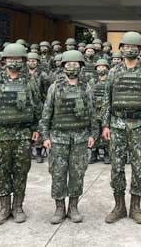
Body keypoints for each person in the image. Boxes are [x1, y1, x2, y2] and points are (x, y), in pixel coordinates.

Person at [101, 31, 141, 225]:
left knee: (138, 167)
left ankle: (135, 207)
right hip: (117, 125)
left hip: (139, 126)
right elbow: (106, 99)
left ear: (140, 49)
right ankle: (119, 207)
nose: (130, 49)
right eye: (126, 46)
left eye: (134, 47)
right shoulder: (114, 71)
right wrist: (106, 124)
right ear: (122, 49)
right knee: (116, 167)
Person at [0, 43, 41, 225]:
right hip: (0, 134)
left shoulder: (30, 82)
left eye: (18, 59)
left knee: (21, 171)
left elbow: (38, 107)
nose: (14, 62)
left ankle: (18, 207)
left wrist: (37, 129)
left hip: (22, 135)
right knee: (1, 171)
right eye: (11, 59)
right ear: (4, 61)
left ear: (23, 61)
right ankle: (4, 207)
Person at [40, 50, 97, 224]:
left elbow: (93, 112)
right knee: (58, 173)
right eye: (68, 64)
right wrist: (45, 135)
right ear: (63, 66)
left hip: (80, 137)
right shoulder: (54, 87)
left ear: (80, 66)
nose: (72, 67)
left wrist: (93, 133)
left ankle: (73, 207)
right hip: (58, 137)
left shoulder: (86, 87)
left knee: (77, 173)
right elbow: (47, 112)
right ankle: (59, 208)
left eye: (75, 64)